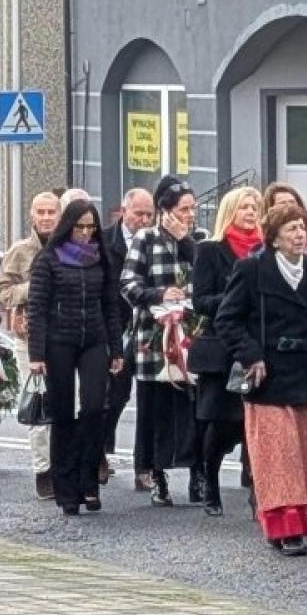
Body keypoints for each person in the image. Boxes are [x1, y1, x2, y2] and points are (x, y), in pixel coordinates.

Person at [217, 202, 307, 553]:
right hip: (267, 376)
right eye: (291, 229)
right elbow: (228, 319)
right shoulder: (251, 269)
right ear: (273, 238)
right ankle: (282, 527)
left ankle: (300, 520)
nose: (299, 235)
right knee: (277, 454)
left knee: (303, 453)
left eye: (302, 228)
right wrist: (250, 354)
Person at [27, 200, 128, 516]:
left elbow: (111, 305)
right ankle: (65, 487)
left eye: (90, 227)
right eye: (79, 226)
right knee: (62, 412)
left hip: (94, 339)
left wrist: (116, 348)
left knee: (96, 407)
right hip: (59, 340)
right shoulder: (49, 259)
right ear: (68, 227)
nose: (85, 233)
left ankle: (89, 482)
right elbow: (37, 308)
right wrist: (36, 353)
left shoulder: (102, 258)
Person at [122, 175, 201, 503]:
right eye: (184, 209)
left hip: (189, 336)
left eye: (193, 208)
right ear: (165, 211)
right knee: (154, 410)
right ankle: (157, 474)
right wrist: (157, 294)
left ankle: (198, 474)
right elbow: (128, 283)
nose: (190, 214)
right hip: (154, 338)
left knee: (193, 409)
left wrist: (187, 242)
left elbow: (208, 276)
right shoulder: (146, 238)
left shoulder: (198, 239)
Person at [189, 186, 263, 516]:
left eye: (255, 207)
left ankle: (258, 489)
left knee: (255, 425)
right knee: (220, 423)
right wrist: (235, 300)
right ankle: (211, 482)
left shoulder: (265, 252)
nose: (250, 212)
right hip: (221, 349)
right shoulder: (210, 250)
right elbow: (200, 300)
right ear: (230, 211)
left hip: (257, 346)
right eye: (244, 207)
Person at [0, 191, 62, 499]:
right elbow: (3, 293)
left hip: (65, 338)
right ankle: (42, 470)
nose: (46, 217)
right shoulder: (20, 251)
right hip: (29, 339)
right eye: (41, 212)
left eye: (52, 212)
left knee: (67, 406)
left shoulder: (70, 249)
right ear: (31, 216)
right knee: (38, 407)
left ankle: (66, 466)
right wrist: (30, 288)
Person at [100, 188, 155, 482]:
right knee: (115, 395)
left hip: (149, 329)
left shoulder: (157, 243)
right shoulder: (107, 241)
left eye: (149, 214)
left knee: (148, 401)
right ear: (124, 211)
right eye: (138, 214)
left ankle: (144, 466)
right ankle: (102, 450)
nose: (144, 220)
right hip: (117, 328)